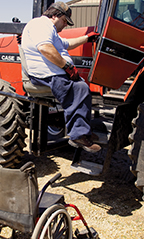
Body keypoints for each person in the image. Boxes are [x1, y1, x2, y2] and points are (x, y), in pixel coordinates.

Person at [21, 1, 101, 153]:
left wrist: (87, 38)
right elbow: (44, 48)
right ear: (55, 15)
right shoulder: (40, 24)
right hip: (47, 74)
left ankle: (83, 132)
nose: (65, 25)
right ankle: (78, 135)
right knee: (78, 88)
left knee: (82, 87)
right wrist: (67, 66)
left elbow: (67, 44)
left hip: (53, 73)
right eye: (65, 21)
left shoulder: (50, 30)